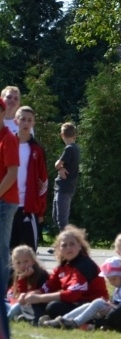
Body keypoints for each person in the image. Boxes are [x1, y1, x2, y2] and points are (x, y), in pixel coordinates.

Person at [18, 225, 107, 324]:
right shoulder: (63, 266)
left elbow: (72, 295)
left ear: (79, 246)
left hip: (90, 305)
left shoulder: (85, 265)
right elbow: (48, 286)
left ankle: (36, 318)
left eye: (72, 244)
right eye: (64, 245)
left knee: (53, 306)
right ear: (59, 249)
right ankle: (38, 318)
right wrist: (30, 295)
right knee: (33, 301)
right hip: (73, 303)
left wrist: (39, 298)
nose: (68, 248)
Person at [40, 256, 121, 330]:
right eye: (109, 279)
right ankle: (63, 320)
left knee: (98, 302)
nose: (112, 282)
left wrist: (114, 307)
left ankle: (75, 323)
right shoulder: (119, 286)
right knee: (89, 304)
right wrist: (111, 305)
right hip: (115, 310)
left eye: (114, 279)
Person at [10, 106, 47, 253]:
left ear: (33, 123)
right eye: (22, 119)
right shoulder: (7, 144)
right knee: (7, 253)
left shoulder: (37, 150)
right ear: (15, 121)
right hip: (7, 205)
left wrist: (40, 210)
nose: (25, 123)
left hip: (28, 207)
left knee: (28, 253)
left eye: (29, 120)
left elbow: (43, 181)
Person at [0, 97, 18, 292]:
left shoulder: (8, 138)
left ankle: (2, 294)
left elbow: (12, 173)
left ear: (3, 113)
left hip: (5, 202)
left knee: (1, 250)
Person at [6, 245, 48, 322]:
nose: (22, 265)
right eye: (18, 263)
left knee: (16, 307)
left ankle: (9, 318)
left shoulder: (41, 274)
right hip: (13, 302)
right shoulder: (16, 274)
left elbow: (28, 298)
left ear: (33, 260)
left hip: (31, 305)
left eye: (26, 261)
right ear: (14, 264)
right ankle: (19, 317)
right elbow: (12, 293)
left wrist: (22, 279)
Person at [53, 122, 79, 231]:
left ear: (62, 135)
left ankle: (67, 245)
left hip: (64, 187)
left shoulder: (69, 148)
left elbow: (57, 164)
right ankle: (62, 244)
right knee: (56, 217)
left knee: (62, 220)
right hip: (65, 187)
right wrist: (62, 168)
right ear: (75, 135)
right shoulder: (76, 148)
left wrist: (60, 167)